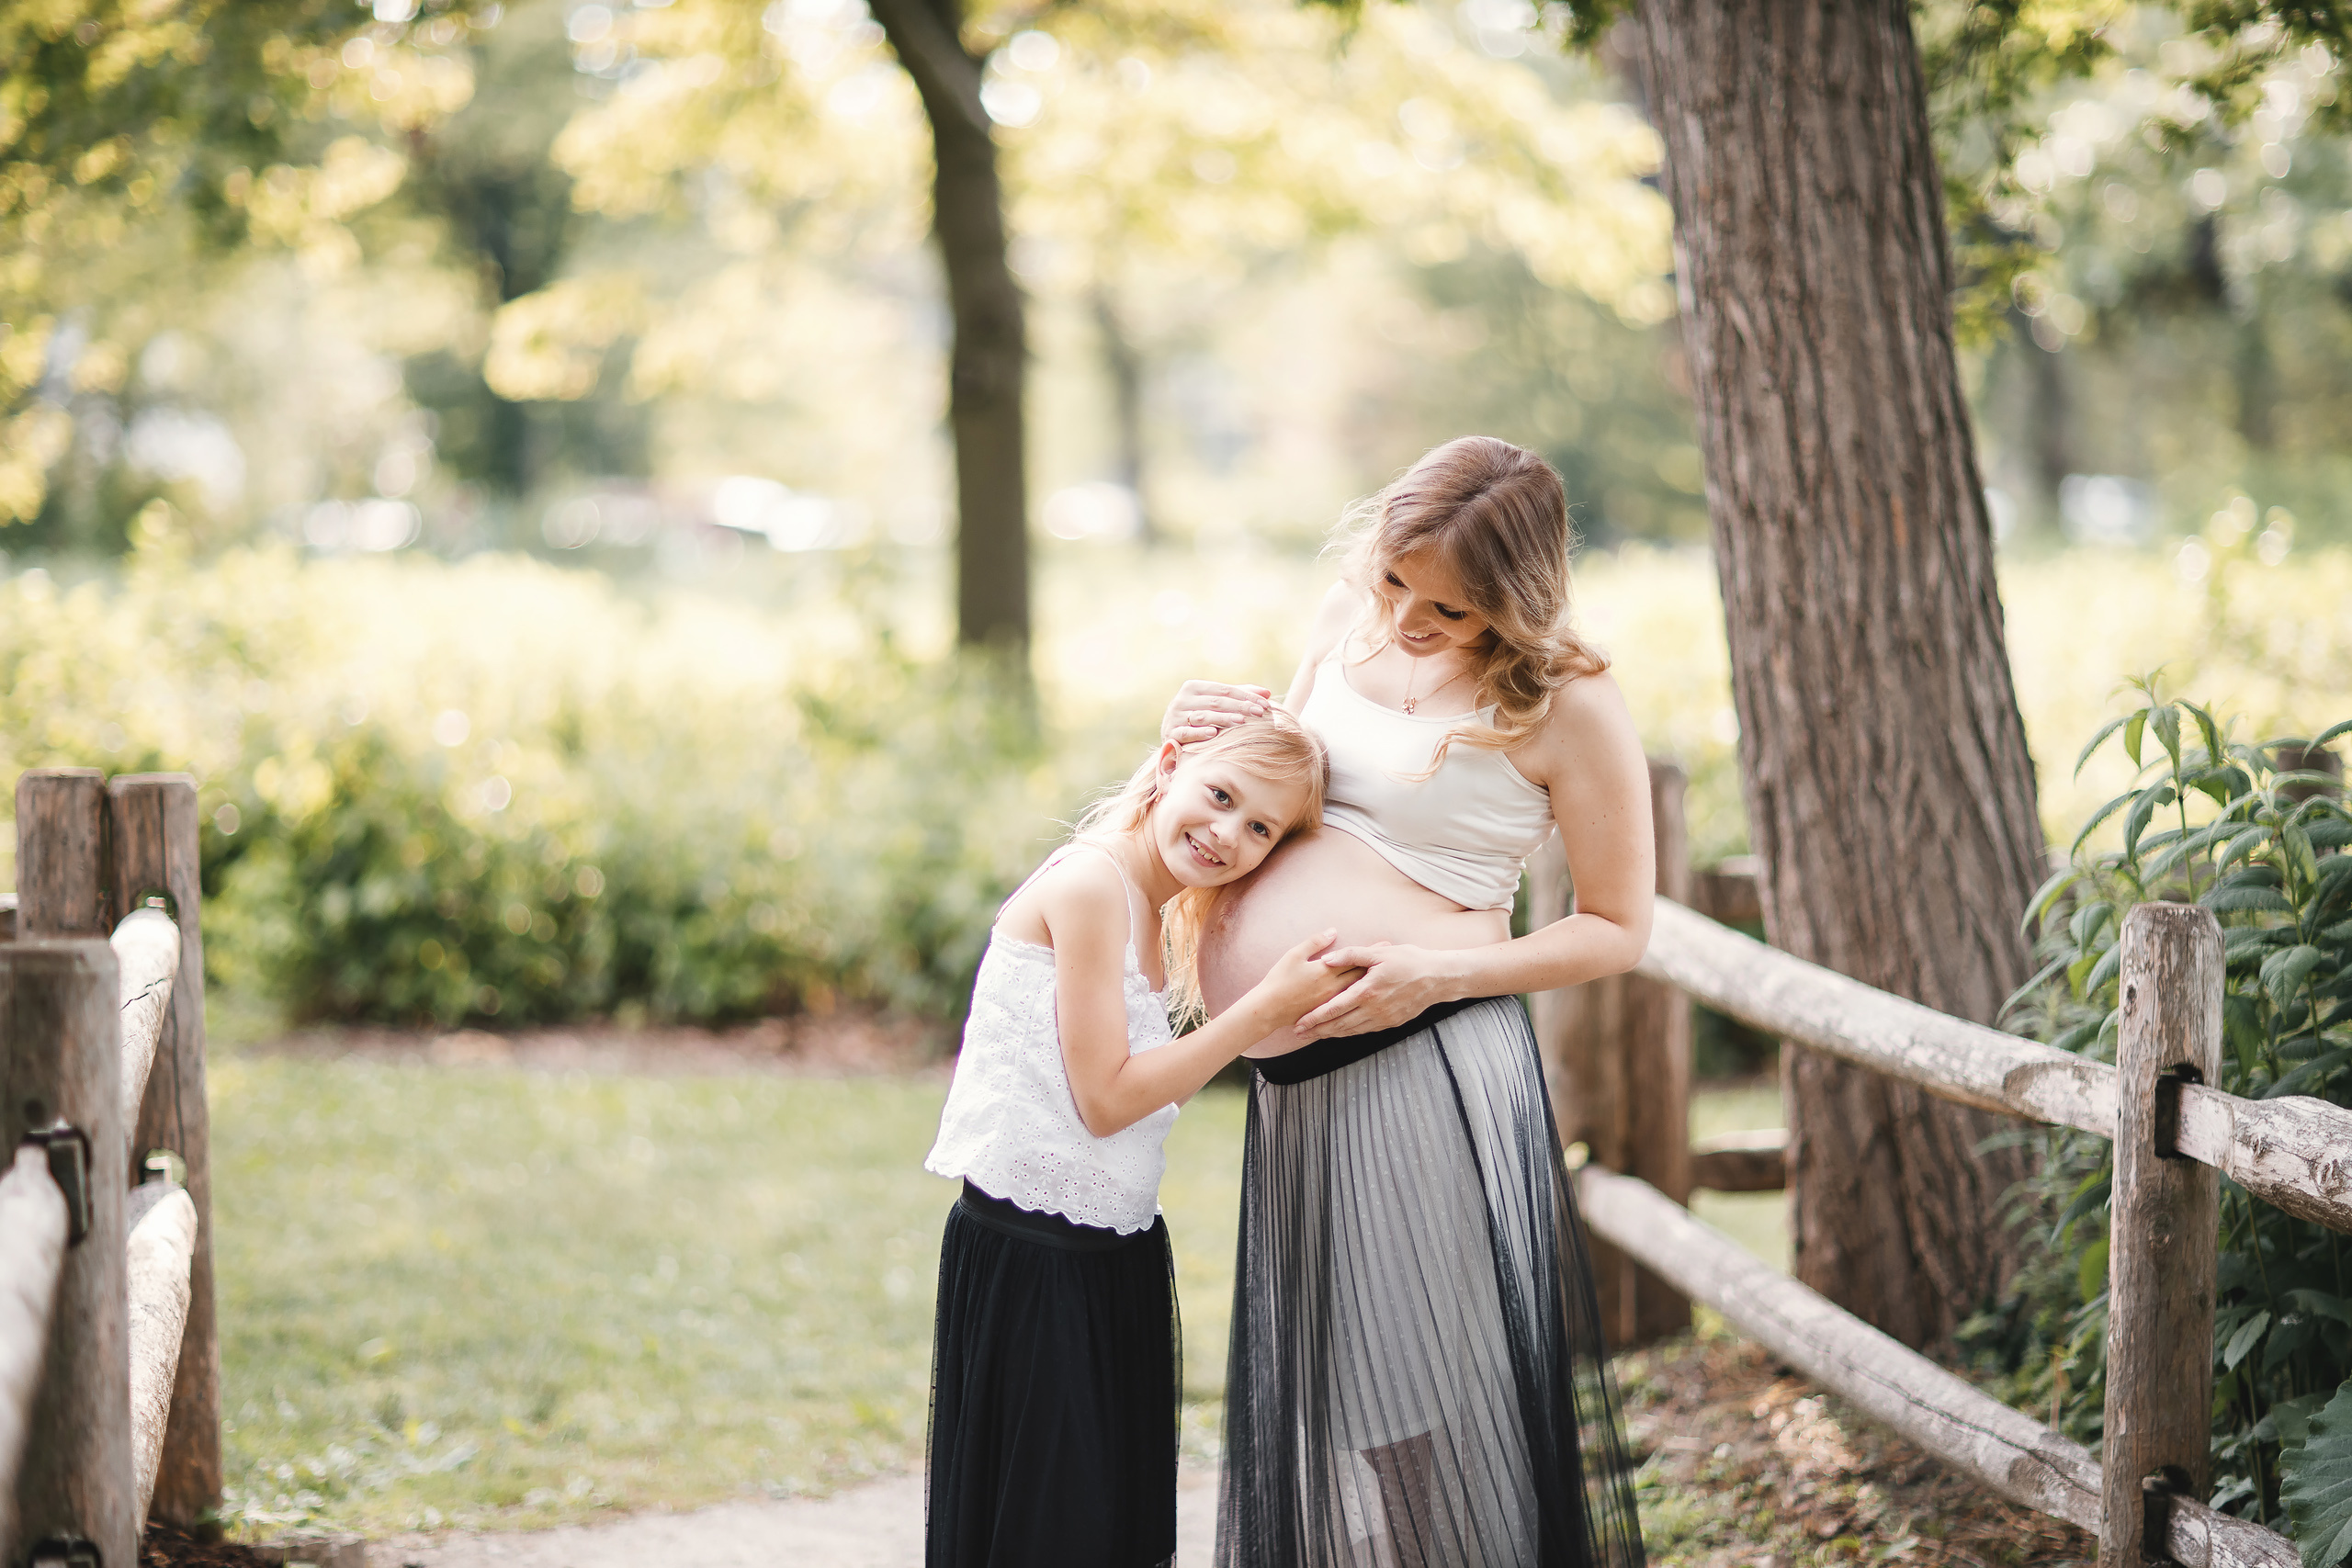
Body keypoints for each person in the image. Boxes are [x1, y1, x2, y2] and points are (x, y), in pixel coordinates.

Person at [1165, 436, 1653, 1567]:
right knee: (1340, 1392)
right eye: (1396, 581)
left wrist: (1435, 974)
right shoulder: (1347, 611)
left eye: (1452, 608)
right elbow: (1278, 790)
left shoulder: (1569, 701)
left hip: (1424, 1059)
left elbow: (1618, 928)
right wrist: (1195, 746)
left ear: (1517, 600)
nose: (1409, 619)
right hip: (1298, 1079)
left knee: (1417, 1395)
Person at [922, 709, 1358, 1568]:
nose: (1227, 831)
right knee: (1052, 1533)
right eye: (1221, 795)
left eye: (1259, 826)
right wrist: (1261, 1009)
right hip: (1035, 1260)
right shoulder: (1092, 887)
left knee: (1108, 1530)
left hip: (1112, 1254)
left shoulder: (1157, 911)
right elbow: (1106, 1099)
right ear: (1168, 766)